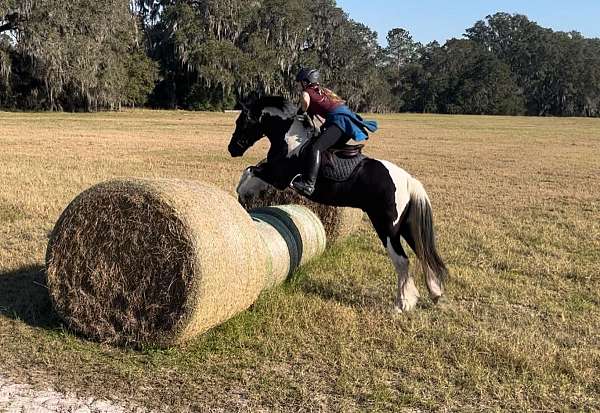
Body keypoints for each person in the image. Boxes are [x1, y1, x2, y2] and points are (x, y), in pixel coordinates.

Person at [290, 68, 378, 196]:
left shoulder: (307, 92)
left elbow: (305, 101)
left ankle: (308, 185)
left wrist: (301, 111)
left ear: (305, 82)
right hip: (348, 121)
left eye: (300, 82)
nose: (299, 85)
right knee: (329, 148)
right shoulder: (325, 91)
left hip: (339, 122)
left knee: (316, 148)